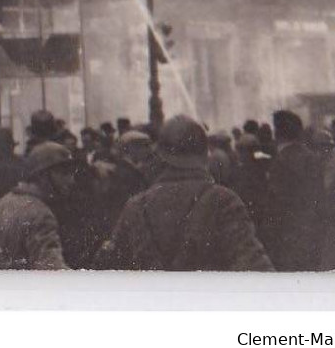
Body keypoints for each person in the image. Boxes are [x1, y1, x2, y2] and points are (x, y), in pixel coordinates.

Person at [94, 114, 273, 271]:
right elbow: (255, 268)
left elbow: (107, 267)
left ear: (161, 155)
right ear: (205, 154)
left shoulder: (135, 206)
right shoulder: (224, 201)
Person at [0, 141, 74, 269]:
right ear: (42, 176)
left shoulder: (3, 203)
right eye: (63, 173)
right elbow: (53, 272)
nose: (71, 180)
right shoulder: (41, 216)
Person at [260, 109, 322, 271]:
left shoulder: (280, 162)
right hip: (311, 232)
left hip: (286, 237)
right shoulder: (311, 157)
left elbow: (275, 203)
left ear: (278, 133)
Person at [310, 128, 335, 270]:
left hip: (334, 217)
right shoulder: (332, 162)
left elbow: (325, 189)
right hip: (332, 216)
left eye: (319, 148)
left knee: (330, 257)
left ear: (325, 147)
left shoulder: (334, 164)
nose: (316, 153)